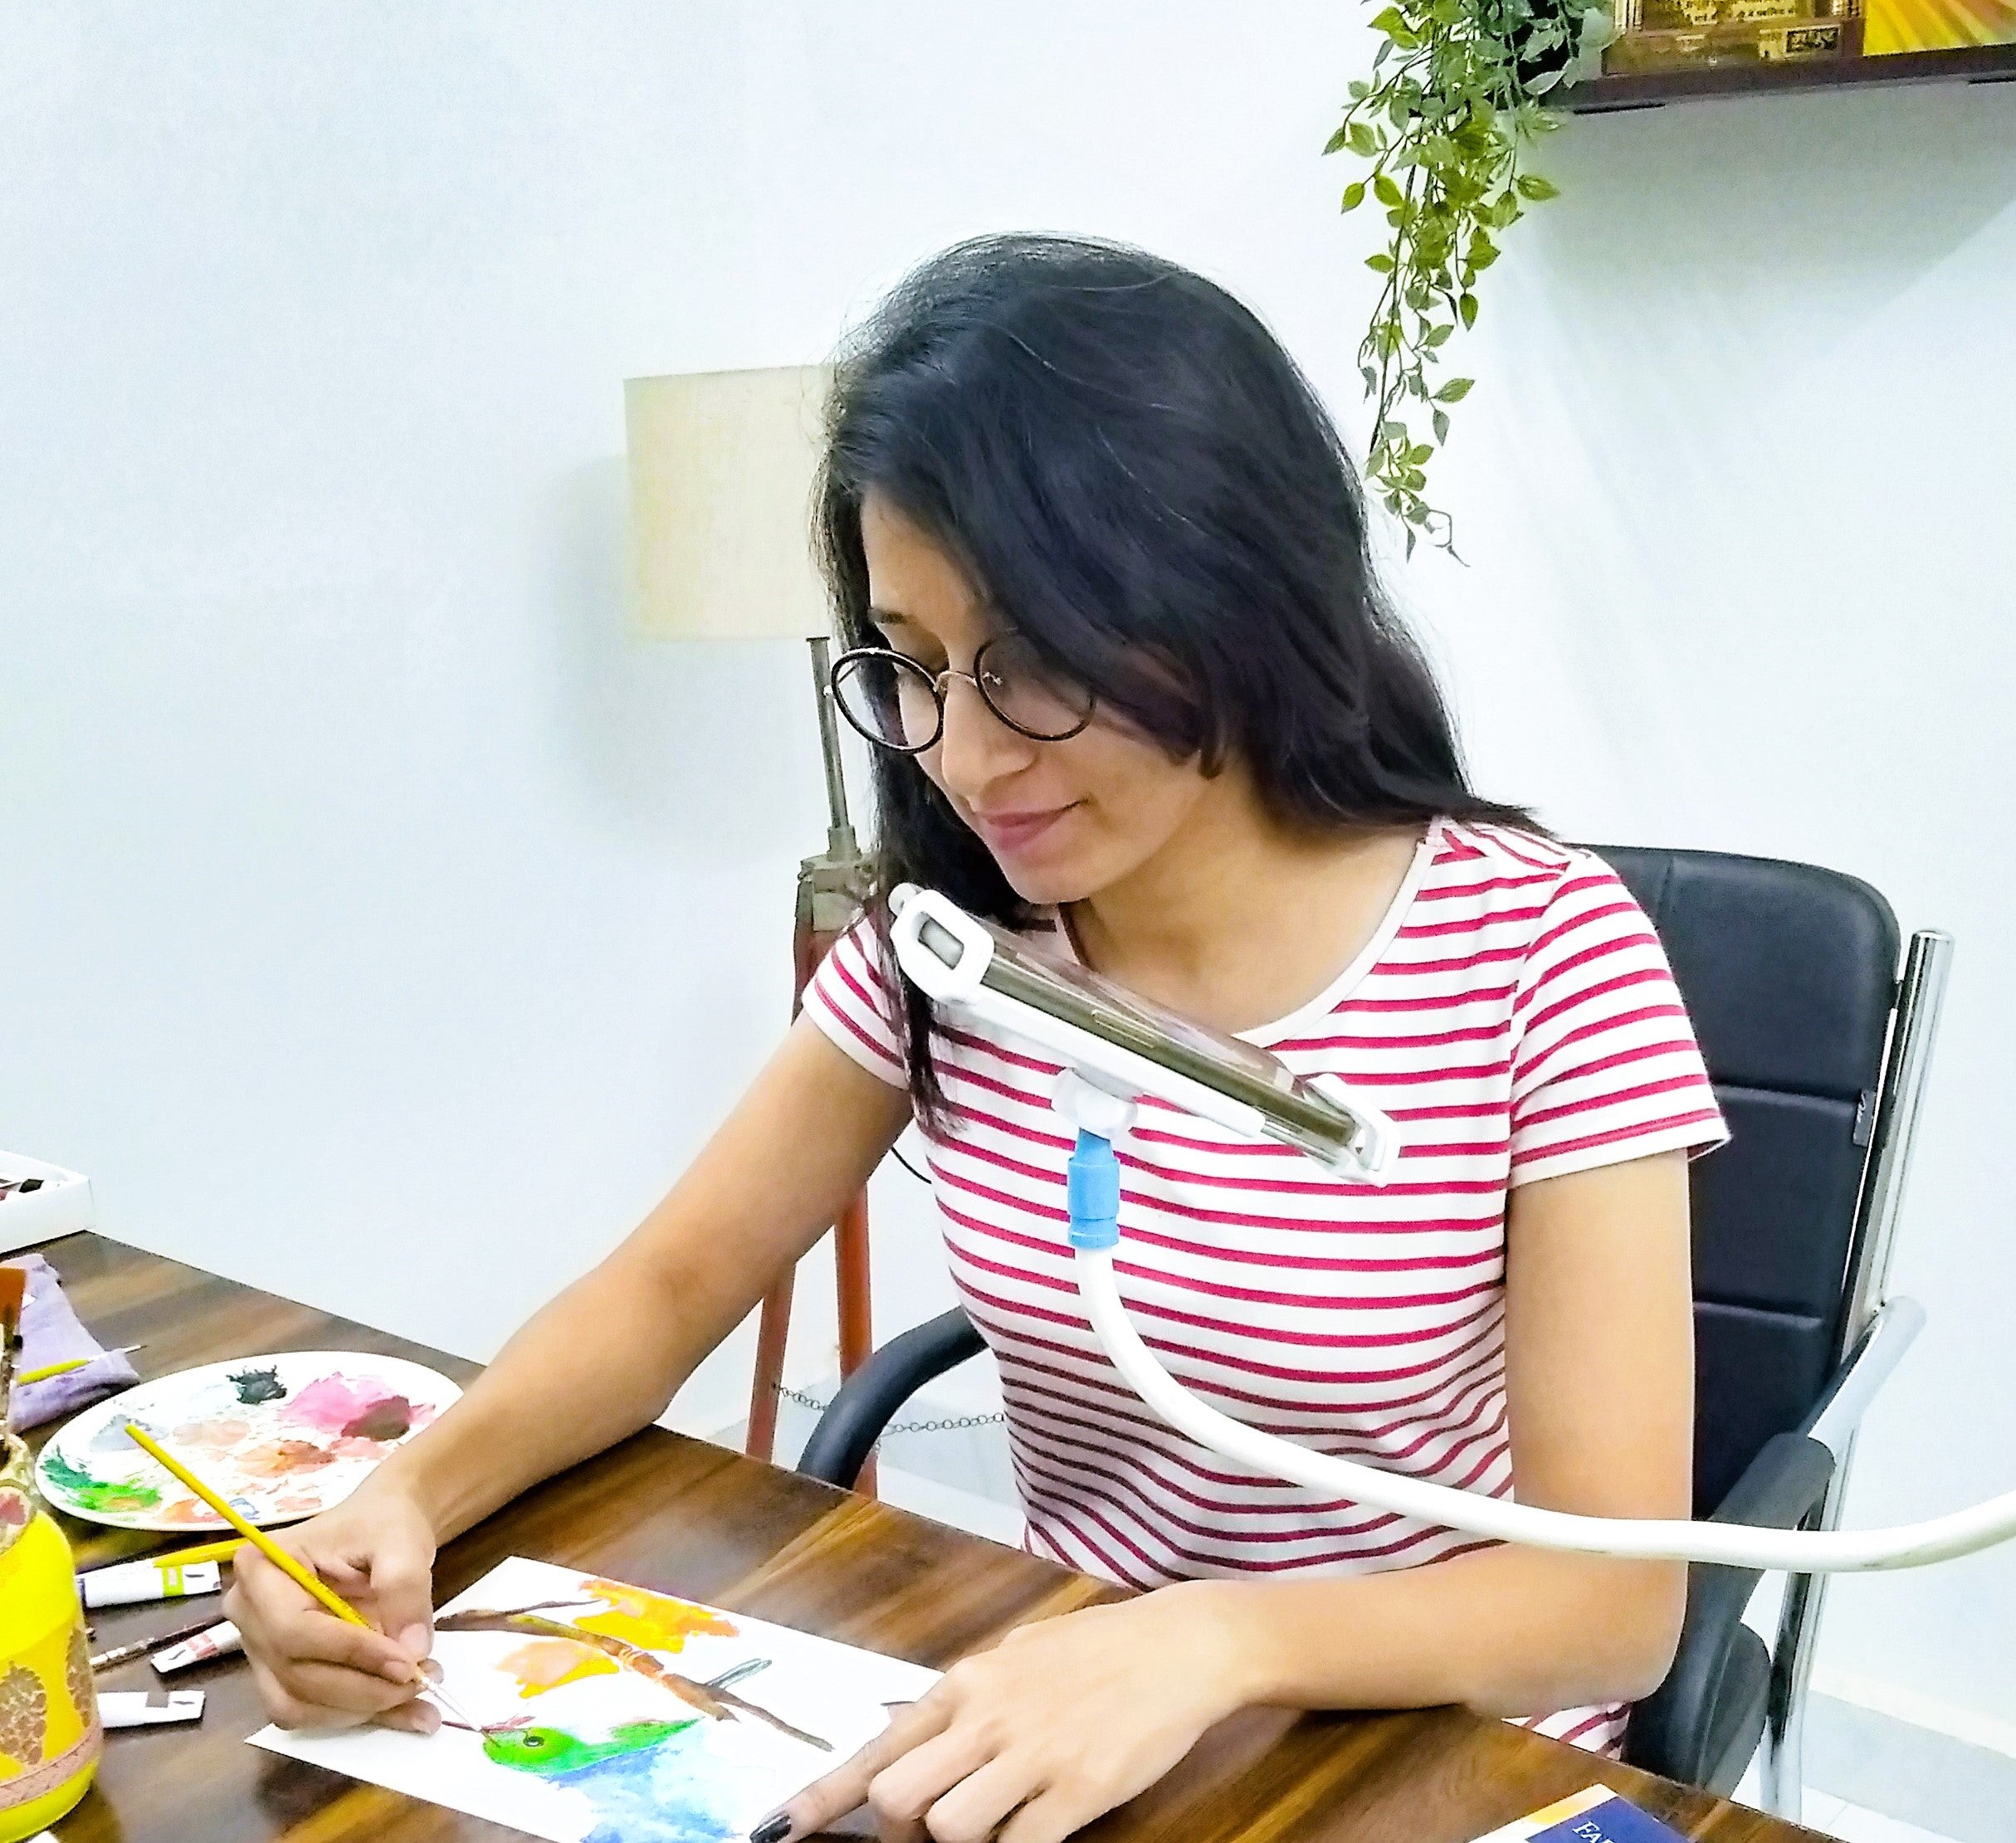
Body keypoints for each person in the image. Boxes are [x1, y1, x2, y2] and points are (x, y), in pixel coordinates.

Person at [227, 234, 1726, 1843]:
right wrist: (400, 1498)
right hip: (1087, 1738)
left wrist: (1213, 1639)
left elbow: (1609, 1602)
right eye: (917, 668)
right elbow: (665, 1291)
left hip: (1449, 1762)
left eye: (1026, 664)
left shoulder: (1540, 955)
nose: (959, 750)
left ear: (1224, 593)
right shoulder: (952, 956)